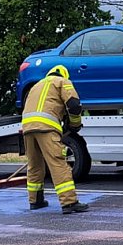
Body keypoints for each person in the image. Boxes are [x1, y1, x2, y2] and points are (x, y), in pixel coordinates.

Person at [21, 64, 89, 214]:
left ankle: (36, 200)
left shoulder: (36, 85)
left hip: (27, 127)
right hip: (46, 127)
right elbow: (74, 105)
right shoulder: (62, 81)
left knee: (35, 165)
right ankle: (69, 202)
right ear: (64, 74)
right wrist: (74, 124)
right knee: (58, 163)